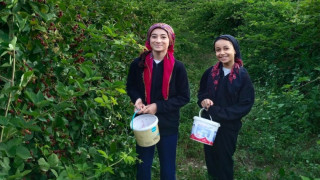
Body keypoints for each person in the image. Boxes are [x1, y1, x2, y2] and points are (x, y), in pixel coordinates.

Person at [126, 23, 190, 180]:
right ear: (148, 40)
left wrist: (157, 106)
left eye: (163, 37)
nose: (158, 40)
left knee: (168, 167)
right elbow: (131, 87)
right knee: (143, 164)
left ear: (170, 40)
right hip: (144, 123)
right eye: (154, 36)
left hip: (168, 123)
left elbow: (184, 97)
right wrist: (138, 99)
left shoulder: (178, 67)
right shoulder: (138, 64)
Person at [197, 35, 255, 180]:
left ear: (235, 50)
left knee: (224, 158)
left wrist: (219, 112)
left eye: (226, 48)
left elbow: (245, 105)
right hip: (208, 123)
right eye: (218, 50)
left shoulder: (242, 76)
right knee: (210, 156)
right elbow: (202, 92)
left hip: (228, 126)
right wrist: (204, 100)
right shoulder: (210, 72)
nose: (222, 52)